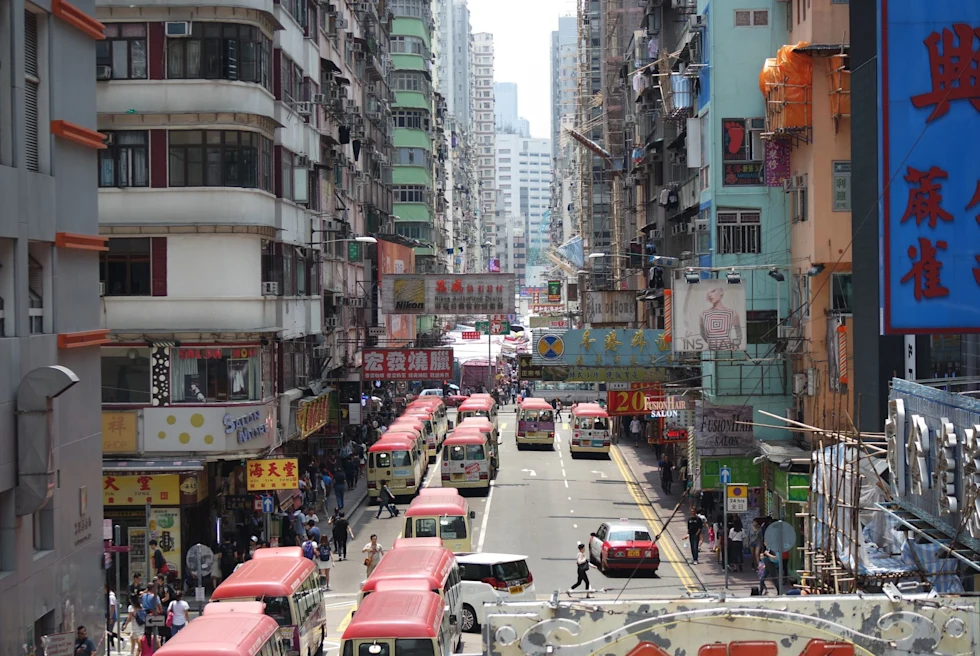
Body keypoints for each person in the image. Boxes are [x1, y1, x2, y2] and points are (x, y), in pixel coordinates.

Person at [105, 583, 118, 650]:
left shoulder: (111, 597)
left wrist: (110, 617)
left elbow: (112, 607)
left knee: (109, 631)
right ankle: (112, 645)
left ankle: (113, 645)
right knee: (109, 631)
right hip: (111, 616)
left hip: (112, 616)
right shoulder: (110, 596)